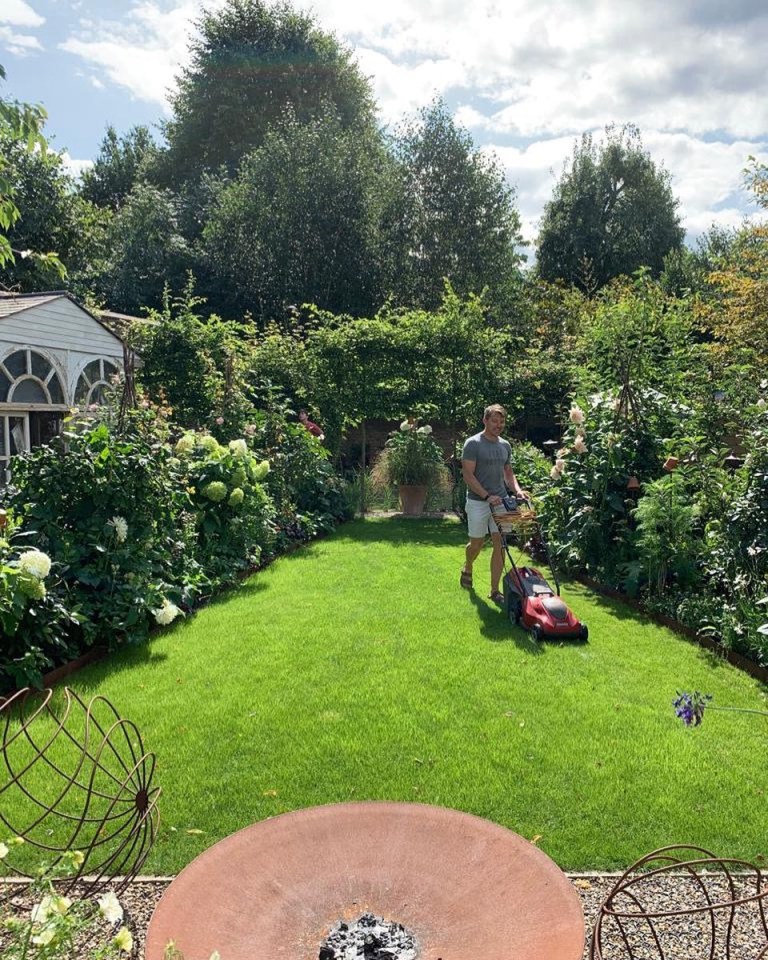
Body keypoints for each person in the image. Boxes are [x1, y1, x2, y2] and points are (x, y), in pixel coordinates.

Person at [460, 403, 527, 604]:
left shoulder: (505, 445)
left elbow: (508, 473)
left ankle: (495, 590)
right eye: (494, 421)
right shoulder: (473, 444)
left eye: (502, 421)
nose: (498, 425)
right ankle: (468, 565)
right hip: (478, 502)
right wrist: (486, 495)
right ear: (485, 421)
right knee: (477, 545)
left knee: (500, 544)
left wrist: (517, 490)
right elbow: (468, 475)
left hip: (501, 502)